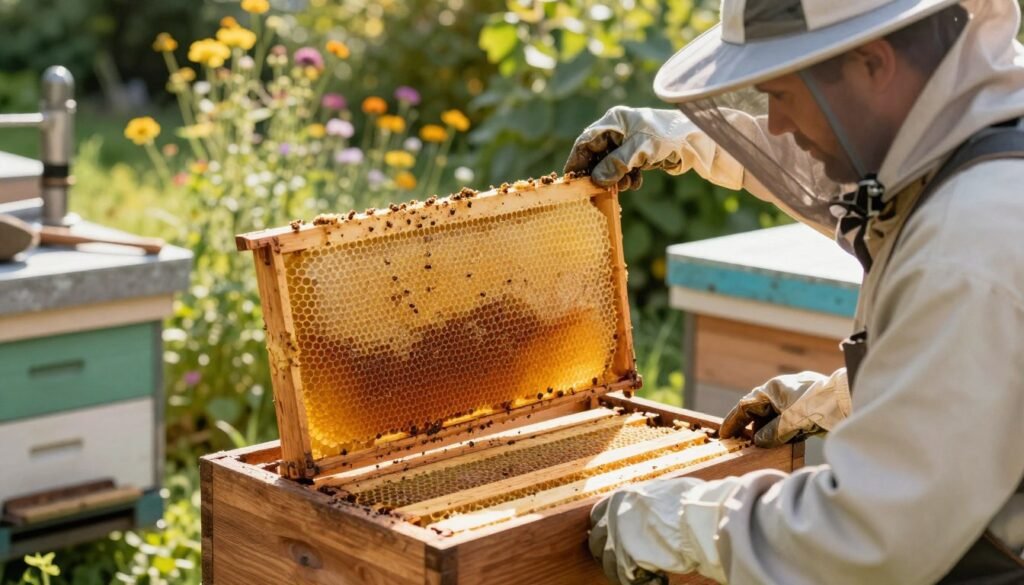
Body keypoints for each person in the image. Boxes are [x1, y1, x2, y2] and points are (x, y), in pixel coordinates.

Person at [566, 1, 1024, 583]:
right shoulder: (983, 147)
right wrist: (855, 395)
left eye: (782, 94)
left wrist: (678, 523)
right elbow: (996, 378)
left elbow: (874, 536)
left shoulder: (970, 239)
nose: (777, 124)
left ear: (874, 64)